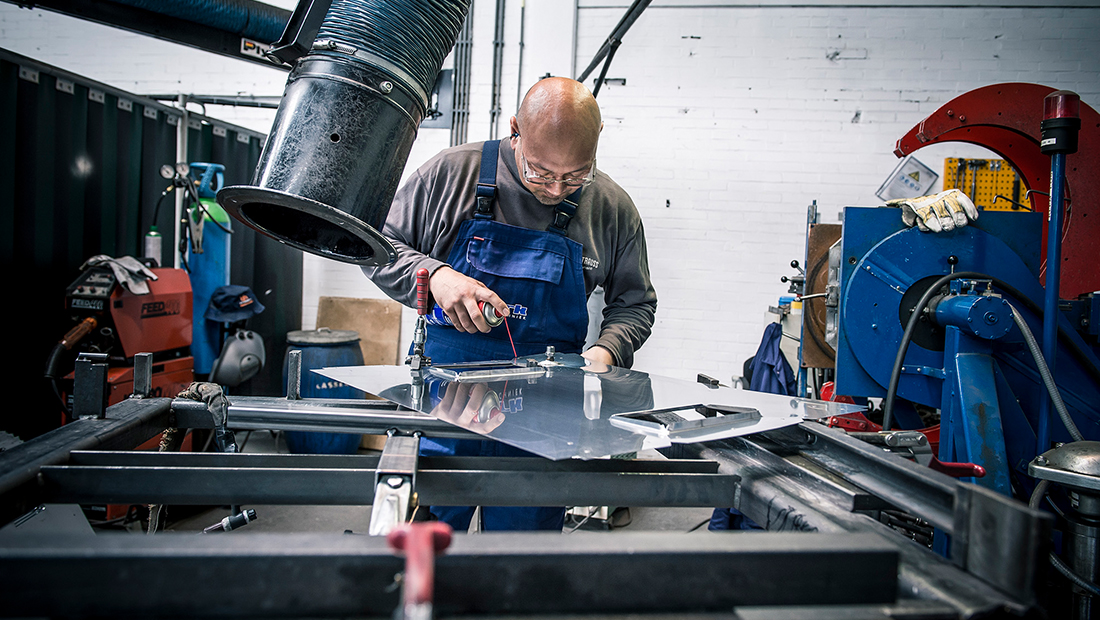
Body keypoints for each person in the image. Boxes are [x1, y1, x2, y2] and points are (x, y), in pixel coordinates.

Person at [363, 77, 657, 531]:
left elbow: (635, 305)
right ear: (515, 129)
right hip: (445, 405)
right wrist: (436, 276)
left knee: (521, 562)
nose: (557, 190)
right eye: (541, 172)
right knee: (424, 549)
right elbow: (377, 248)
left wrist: (605, 352)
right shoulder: (450, 174)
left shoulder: (612, 209)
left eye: (576, 174)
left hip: (545, 417)